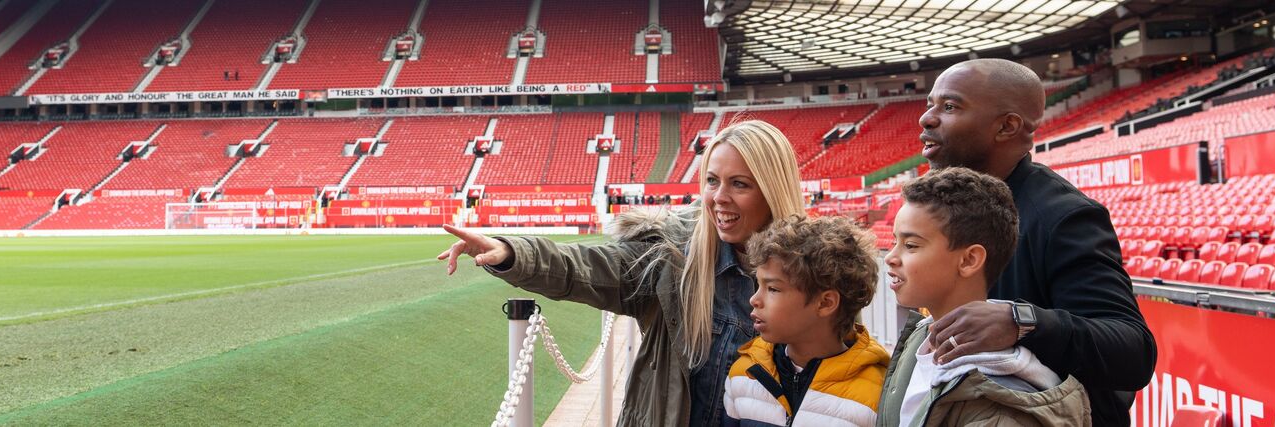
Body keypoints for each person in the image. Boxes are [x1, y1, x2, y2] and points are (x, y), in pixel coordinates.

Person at [438, 120, 808, 426]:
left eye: (739, 184)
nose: (718, 197)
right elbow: (585, 267)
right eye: (712, 181)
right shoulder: (674, 259)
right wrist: (511, 253)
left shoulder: (814, 276)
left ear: (772, 189)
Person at [916, 58, 1155, 426]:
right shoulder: (955, 209)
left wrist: (1021, 320)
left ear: (1007, 126)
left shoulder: (1064, 216)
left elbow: (1133, 351)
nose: (927, 119)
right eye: (930, 104)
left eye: (949, 106)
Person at [875, 167, 1089, 425]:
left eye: (910, 245)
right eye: (895, 241)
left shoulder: (1001, 410)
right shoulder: (921, 337)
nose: (890, 257)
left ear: (969, 260)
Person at [721, 216, 888, 426]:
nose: (754, 299)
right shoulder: (742, 375)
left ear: (826, 303)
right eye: (759, 285)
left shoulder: (877, 396)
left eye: (772, 289)